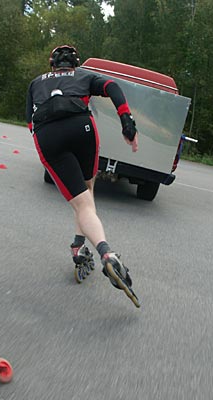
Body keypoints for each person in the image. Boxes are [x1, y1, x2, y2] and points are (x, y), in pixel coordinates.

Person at [26, 45, 141, 308]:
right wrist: (127, 122)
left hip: (48, 133)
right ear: (74, 64)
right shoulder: (84, 76)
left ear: (51, 64)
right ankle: (86, 248)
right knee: (88, 195)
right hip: (82, 127)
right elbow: (113, 86)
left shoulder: (36, 82)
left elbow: (30, 122)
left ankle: (101, 252)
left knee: (80, 203)